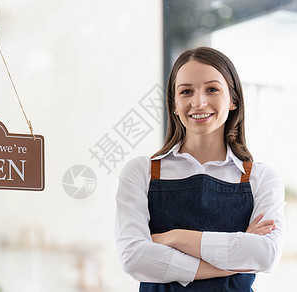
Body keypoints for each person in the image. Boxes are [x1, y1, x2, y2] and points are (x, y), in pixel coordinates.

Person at [114, 47, 285, 291]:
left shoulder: (261, 177)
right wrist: (233, 261)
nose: (199, 102)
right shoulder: (141, 172)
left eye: (212, 89)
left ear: (233, 100)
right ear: (174, 104)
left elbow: (266, 255)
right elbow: (133, 258)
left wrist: (173, 238)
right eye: (186, 92)